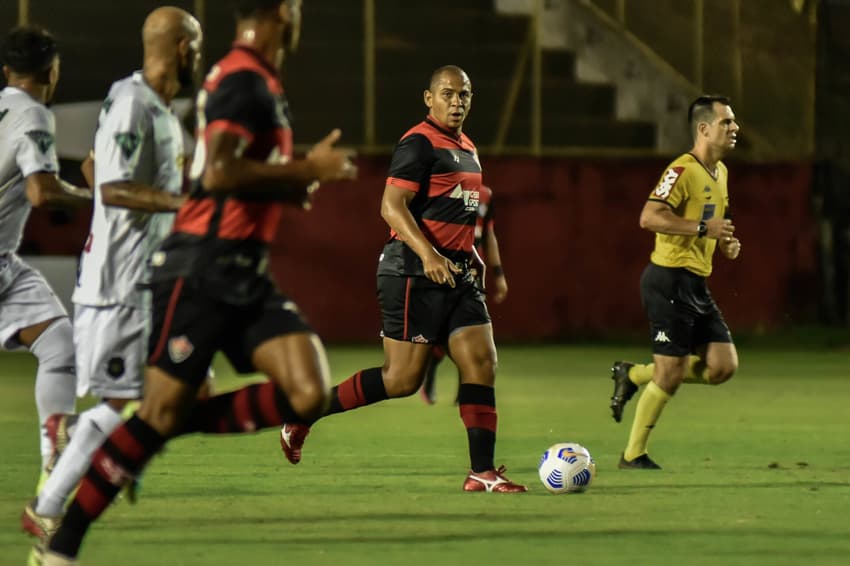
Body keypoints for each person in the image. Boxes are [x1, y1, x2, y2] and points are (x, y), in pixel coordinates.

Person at [41, 1, 356, 563]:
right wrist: (305, 170)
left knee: (308, 393)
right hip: (202, 268)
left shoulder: (250, 80)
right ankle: (60, 545)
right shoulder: (241, 79)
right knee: (153, 413)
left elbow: (221, 175)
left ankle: (169, 422)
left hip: (243, 270)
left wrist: (284, 187)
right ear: (283, 12)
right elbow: (218, 174)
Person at [279, 65, 527, 493]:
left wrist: (474, 256)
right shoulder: (418, 142)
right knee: (401, 380)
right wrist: (428, 254)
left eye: (464, 95)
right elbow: (391, 207)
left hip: (457, 273)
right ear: (429, 99)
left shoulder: (468, 147)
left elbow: (460, 212)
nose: (456, 102)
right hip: (412, 271)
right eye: (447, 94)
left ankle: (481, 472)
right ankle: (306, 413)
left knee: (481, 362)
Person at [21, 6, 203, 546]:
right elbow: (113, 188)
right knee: (134, 405)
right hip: (118, 285)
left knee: (184, 390)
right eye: (194, 42)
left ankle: (82, 441)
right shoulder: (132, 102)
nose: (199, 53)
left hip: (145, 279)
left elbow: (95, 168)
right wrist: (182, 204)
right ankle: (50, 502)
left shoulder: (160, 113)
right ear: (176, 46)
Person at [609, 94, 742, 470]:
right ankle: (633, 455)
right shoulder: (682, 170)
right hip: (668, 281)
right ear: (703, 129)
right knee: (670, 375)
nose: (735, 129)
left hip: (697, 284)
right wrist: (703, 228)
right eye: (726, 123)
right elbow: (648, 217)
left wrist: (726, 242)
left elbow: (718, 223)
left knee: (722, 366)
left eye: (733, 122)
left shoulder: (721, 173)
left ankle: (632, 374)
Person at [0, 25, 92, 497]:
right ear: (52, 73)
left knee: (60, 343)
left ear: (5, 72)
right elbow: (42, 190)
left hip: (5, 266)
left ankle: (55, 462)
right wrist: (98, 196)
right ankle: (56, 458)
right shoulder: (34, 115)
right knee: (61, 348)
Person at [420, 183, 508, 404]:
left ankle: (465, 392)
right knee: (442, 333)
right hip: (444, 267)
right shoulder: (441, 187)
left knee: (473, 334)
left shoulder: (486, 194)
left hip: (472, 271)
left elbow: (489, 234)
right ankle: (430, 372)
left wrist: (498, 273)